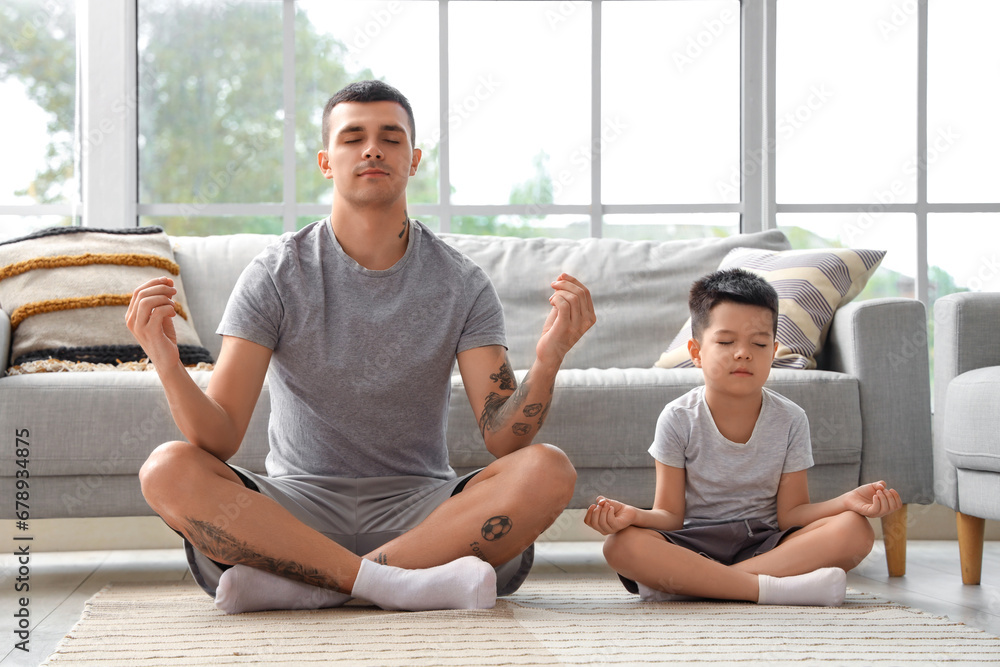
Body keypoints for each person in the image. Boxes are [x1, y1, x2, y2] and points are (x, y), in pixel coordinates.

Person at [127, 80, 596, 614]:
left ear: (413, 159)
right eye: (353, 137)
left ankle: (312, 586)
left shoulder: (462, 282)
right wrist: (165, 362)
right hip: (296, 508)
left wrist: (549, 358)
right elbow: (220, 437)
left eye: (390, 138)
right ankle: (395, 585)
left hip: (422, 511)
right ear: (327, 162)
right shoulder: (274, 275)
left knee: (547, 469)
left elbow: (503, 440)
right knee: (167, 468)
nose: (372, 148)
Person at [583, 268, 900, 606]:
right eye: (725, 341)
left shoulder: (791, 419)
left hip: (767, 542)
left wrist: (846, 501)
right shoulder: (677, 418)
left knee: (855, 530)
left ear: (774, 350)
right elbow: (670, 517)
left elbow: (791, 515)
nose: (743, 353)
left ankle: (696, 584)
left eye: (759, 343)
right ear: (696, 351)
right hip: (695, 543)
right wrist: (633, 515)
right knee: (620, 545)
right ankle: (768, 588)